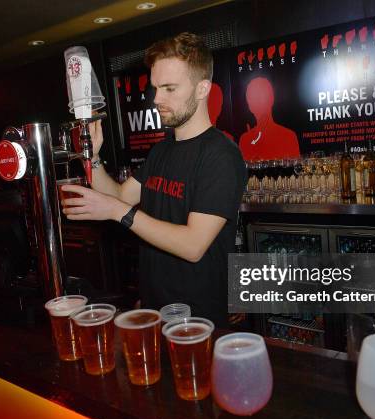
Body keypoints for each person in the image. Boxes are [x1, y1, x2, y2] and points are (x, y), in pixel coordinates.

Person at [61, 32, 247, 327]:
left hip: (198, 319)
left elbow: (193, 245)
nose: (157, 98)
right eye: (156, 88)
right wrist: (93, 158)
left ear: (202, 89)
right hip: (155, 309)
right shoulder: (161, 151)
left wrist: (116, 211)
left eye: (170, 88)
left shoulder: (221, 156)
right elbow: (121, 196)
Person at [238, 77, 300, 160]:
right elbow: (241, 170)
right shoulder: (245, 140)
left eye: (261, 96)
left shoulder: (288, 137)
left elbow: (296, 169)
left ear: (271, 98)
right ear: (249, 106)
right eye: (253, 98)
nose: (258, 102)